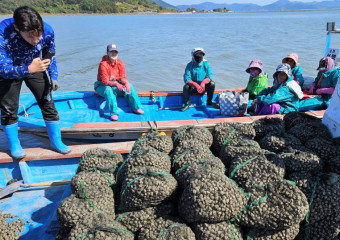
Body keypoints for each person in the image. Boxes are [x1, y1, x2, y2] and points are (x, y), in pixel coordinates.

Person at [0, 6, 70, 159]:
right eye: (31, 37)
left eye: (39, 35)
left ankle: (56, 141)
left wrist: (53, 75)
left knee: (48, 103)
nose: (36, 40)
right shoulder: (2, 33)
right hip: (10, 70)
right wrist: (28, 69)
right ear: (17, 28)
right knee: (9, 109)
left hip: (35, 65)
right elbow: (2, 69)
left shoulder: (48, 30)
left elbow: (49, 54)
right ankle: (15, 144)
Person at [94, 44, 144, 121]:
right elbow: (105, 81)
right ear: (107, 52)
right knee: (108, 90)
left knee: (129, 85)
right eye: (111, 52)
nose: (113, 54)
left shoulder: (120, 63)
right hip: (101, 85)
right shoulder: (103, 64)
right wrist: (116, 84)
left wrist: (126, 83)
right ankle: (113, 113)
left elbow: (123, 77)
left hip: (115, 84)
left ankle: (136, 107)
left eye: (115, 52)